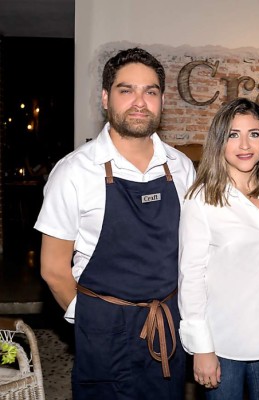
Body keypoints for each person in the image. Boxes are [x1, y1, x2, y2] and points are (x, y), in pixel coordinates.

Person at [34, 47, 196, 400]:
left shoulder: (182, 167)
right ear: (106, 98)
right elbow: (52, 268)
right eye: (127, 90)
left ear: (162, 101)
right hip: (103, 332)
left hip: (166, 328)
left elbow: (194, 252)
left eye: (150, 92)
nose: (140, 101)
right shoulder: (74, 171)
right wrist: (92, 320)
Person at [178, 97, 259, 400]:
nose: (245, 144)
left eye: (254, 134)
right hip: (223, 344)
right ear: (220, 141)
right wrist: (201, 347)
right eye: (233, 134)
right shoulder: (200, 199)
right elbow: (191, 278)